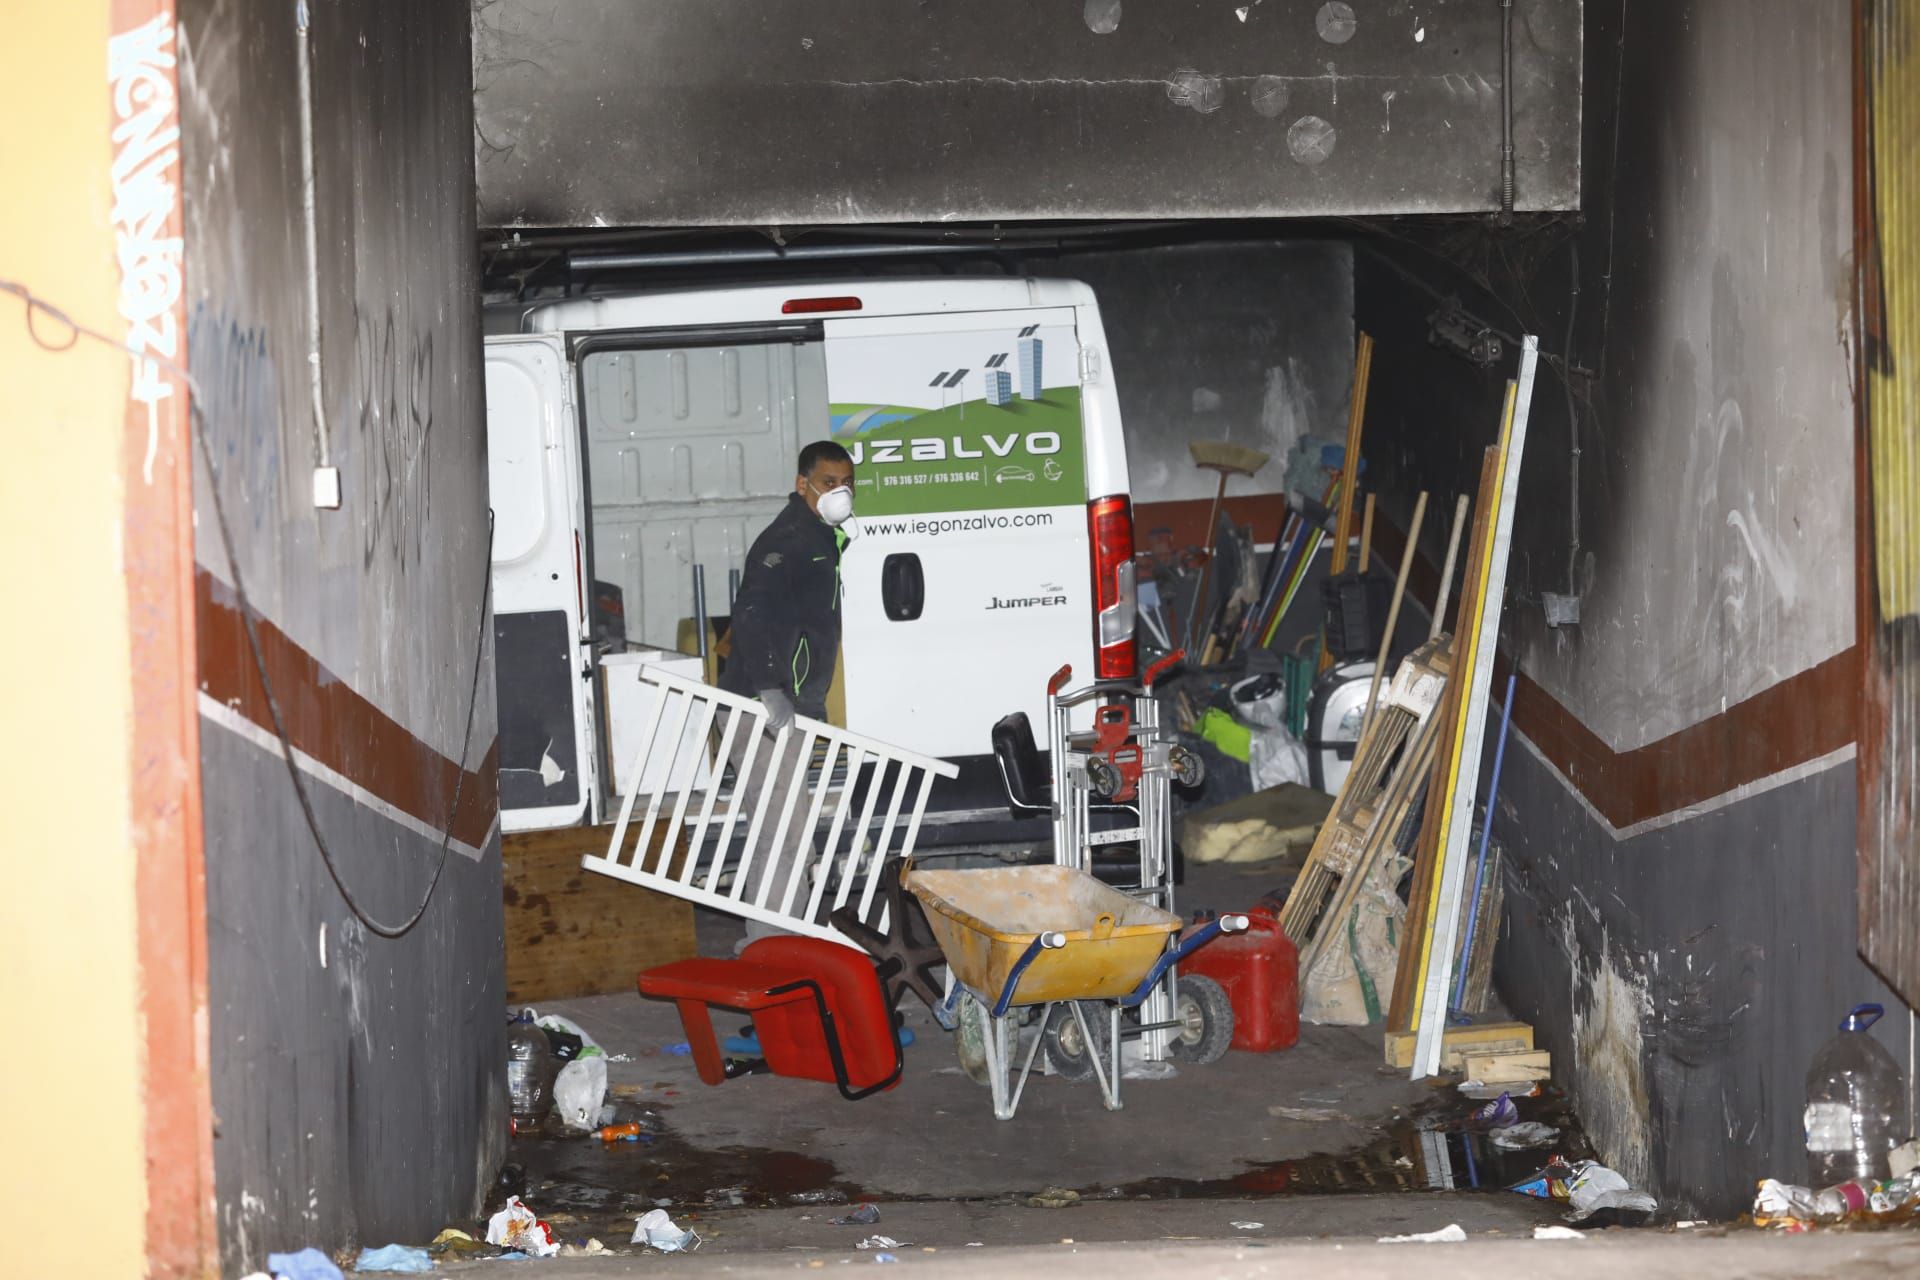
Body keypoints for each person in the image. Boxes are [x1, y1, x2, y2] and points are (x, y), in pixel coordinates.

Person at [717, 441, 856, 938]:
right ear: (803, 486)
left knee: (781, 828)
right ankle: (774, 947)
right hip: (760, 709)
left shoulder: (820, 538)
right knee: (785, 832)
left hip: (785, 708)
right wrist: (770, 688)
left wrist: (809, 701)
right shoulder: (790, 540)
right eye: (828, 482)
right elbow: (751, 612)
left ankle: (767, 940)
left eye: (847, 483)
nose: (840, 492)